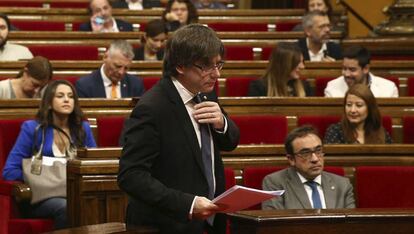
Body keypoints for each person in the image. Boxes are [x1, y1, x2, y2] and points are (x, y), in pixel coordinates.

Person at [117, 24, 240, 234]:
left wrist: (222, 123)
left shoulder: (205, 92)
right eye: (206, 66)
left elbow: (230, 142)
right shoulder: (152, 107)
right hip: (166, 224)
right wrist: (188, 204)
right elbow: (131, 175)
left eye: (219, 65)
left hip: (209, 222)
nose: (216, 75)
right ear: (181, 66)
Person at [2, 80, 97, 229]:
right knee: (66, 206)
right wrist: (35, 178)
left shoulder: (82, 129)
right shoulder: (33, 128)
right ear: (49, 102)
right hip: (41, 198)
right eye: (60, 96)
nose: (67, 99)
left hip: (76, 194)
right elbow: (10, 171)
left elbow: (94, 165)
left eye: (71, 96)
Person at [262, 125, 355, 209]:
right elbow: (274, 225)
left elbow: (351, 224)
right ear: (291, 159)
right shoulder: (275, 183)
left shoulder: (342, 185)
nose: (315, 159)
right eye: (305, 153)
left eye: (318, 151)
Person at [324, 84, 392, 144]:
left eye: (359, 105)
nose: (352, 110)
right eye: (349, 105)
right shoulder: (335, 131)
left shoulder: (380, 132)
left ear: (370, 108)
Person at [75, 40, 145, 98]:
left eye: (126, 68)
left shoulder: (136, 85)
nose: (121, 72)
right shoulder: (84, 86)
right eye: (117, 66)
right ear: (105, 57)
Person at [325, 46, 398, 97]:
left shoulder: (389, 88)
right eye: (344, 69)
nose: (346, 74)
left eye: (352, 69)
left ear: (366, 69)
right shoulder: (332, 88)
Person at [248, 42, 313, 97]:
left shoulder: (305, 86)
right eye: (297, 63)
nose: (302, 67)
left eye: (302, 62)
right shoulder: (259, 87)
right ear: (283, 64)